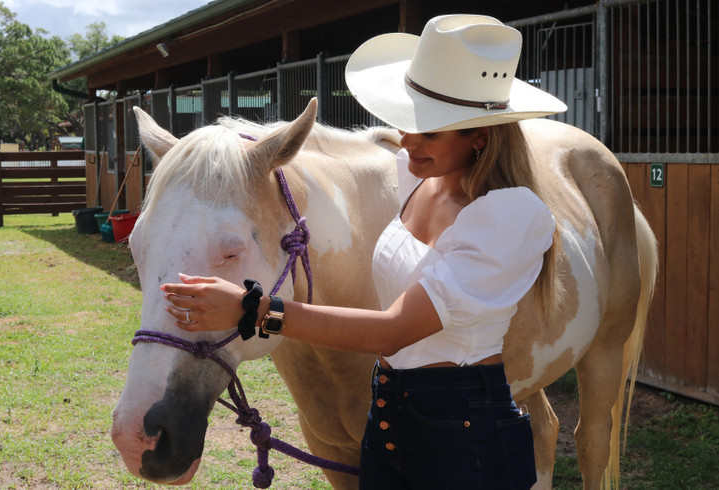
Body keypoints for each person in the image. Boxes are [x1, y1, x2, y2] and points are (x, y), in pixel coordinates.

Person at [161, 14, 567, 489]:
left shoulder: (509, 216)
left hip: (462, 429)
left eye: (430, 131)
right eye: (407, 123)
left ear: (480, 136)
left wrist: (251, 310)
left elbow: (394, 330)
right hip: (389, 412)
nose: (407, 142)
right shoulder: (416, 177)